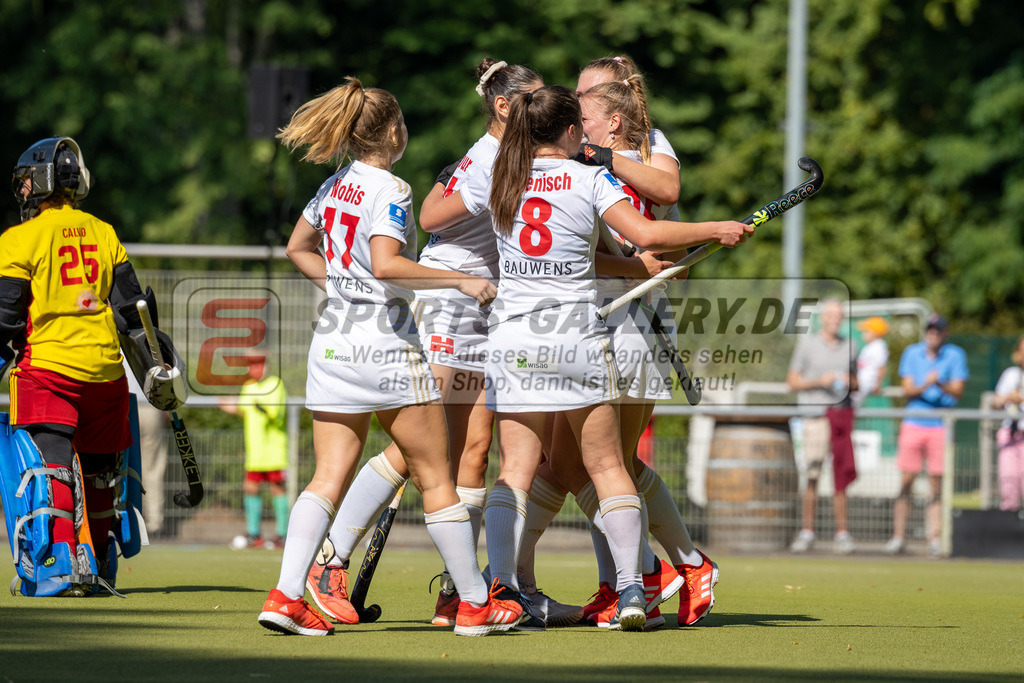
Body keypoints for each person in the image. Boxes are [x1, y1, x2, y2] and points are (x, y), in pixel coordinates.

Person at [422, 84, 752, 631]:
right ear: (573, 132)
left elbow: (436, 215)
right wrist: (715, 229)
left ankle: (498, 592)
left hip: (512, 340)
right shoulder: (590, 177)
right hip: (575, 336)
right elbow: (645, 232)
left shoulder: (497, 177)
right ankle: (630, 591)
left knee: (516, 474)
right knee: (607, 466)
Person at [303, 59, 562, 629]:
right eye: (535, 99)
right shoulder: (493, 157)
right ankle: (332, 561)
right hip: (449, 299)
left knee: (472, 449)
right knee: (419, 449)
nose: (545, 110)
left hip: (484, 310)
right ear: (504, 105)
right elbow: (432, 214)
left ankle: (457, 590)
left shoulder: (518, 154)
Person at [257, 77, 521, 637]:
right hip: (385, 346)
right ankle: (473, 602)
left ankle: (285, 596)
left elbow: (296, 248)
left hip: (331, 343)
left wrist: (339, 288)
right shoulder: (392, 188)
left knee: (325, 478)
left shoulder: (333, 186)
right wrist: (462, 282)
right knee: (435, 474)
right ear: (395, 132)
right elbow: (387, 265)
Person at [1, 137, 181, 595]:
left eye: (26, 182)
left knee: (53, 468)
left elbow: (5, 317)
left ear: (40, 181)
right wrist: (158, 369)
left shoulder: (18, 239)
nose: (22, 190)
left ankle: (61, 567)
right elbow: (133, 313)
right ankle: (99, 563)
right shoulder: (104, 232)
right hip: (105, 374)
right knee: (101, 475)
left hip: (49, 372)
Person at [885, 313, 968, 557]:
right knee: (906, 480)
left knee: (936, 483)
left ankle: (935, 538)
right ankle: (898, 536)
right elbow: (908, 388)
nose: (933, 334)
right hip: (914, 423)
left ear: (945, 332)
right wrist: (926, 384)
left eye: (937, 330)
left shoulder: (955, 355)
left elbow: (958, 391)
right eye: (930, 330)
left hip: (941, 425)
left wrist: (939, 383)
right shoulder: (912, 353)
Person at [787, 299, 858, 554]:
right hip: (815, 418)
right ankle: (807, 531)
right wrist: (820, 380)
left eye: (839, 315)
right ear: (823, 318)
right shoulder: (807, 344)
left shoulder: (851, 346)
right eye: (831, 315)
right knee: (813, 475)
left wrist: (848, 381)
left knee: (841, 477)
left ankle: (842, 533)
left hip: (840, 417)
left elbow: (858, 382)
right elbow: (792, 381)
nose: (835, 319)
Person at [218, 351, 290, 549]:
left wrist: (255, 404)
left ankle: (282, 535)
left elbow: (274, 413)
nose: (255, 368)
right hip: (255, 451)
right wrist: (229, 406)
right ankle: (254, 534)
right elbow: (245, 410)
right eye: (252, 364)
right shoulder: (248, 386)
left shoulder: (275, 384)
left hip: (274, 451)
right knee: (250, 488)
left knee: (277, 488)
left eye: (259, 364)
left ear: (267, 365)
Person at [124, 358, 170, 537]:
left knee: (119, 466)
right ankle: (154, 524)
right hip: (150, 406)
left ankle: (127, 520)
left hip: (122, 404)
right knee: (152, 468)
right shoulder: (151, 337)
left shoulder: (111, 335)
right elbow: (166, 372)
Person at [991, 334, 1024, 511]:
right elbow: (996, 402)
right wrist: (1009, 398)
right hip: (1011, 435)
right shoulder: (1011, 374)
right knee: (1009, 484)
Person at [852, 316, 890, 408]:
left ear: (876, 333)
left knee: (850, 403)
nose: (863, 333)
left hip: (867, 384)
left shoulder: (879, 346)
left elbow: (881, 367)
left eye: (866, 331)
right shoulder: (870, 346)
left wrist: (877, 384)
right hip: (860, 382)